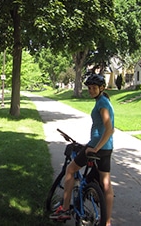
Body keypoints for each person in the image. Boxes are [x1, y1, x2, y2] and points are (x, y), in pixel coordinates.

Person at [50, 74, 114, 226]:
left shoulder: (102, 104)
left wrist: (95, 148)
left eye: (94, 88)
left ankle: (65, 208)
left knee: (70, 170)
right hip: (108, 148)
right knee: (106, 185)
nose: (91, 90)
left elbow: (109, 129)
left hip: (96, 147)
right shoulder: (103, 101)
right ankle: (107, 222)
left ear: (102, 88)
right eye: (89, 88)